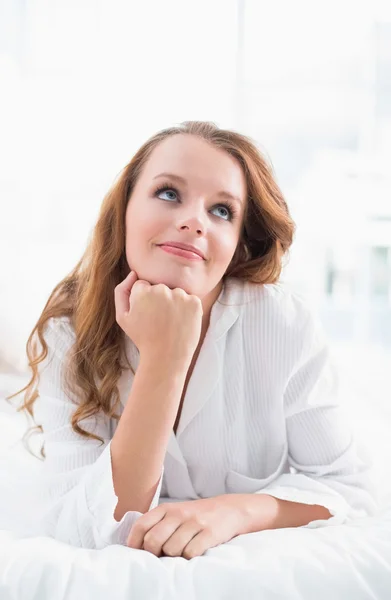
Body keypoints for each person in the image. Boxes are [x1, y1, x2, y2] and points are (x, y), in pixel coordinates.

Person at [7, 120, 377, 559]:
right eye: (169, 193)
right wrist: (166, 357)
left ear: (239, 244)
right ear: (124, 210)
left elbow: (349, 488)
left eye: (222, 211)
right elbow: (96, 532)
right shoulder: (70, 331)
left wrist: (234, 512)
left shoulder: (282, 323)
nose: (193, 221)